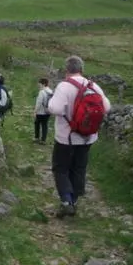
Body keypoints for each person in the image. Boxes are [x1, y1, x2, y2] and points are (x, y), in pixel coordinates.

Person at [47, 55, 111, 218]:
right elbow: (107, 107)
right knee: (79, 168)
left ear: (67, 70)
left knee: (61, 168)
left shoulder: (64, 86)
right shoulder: (94, 86)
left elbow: (55, 109)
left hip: (66, 137)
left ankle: (66, 201)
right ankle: (74, 201)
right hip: (88, 137)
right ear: (82, 70)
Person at [33, 78, 53, 144]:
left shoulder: (42, 92)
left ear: (43, 84)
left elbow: (39, 102)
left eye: (40, 83)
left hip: (40, 112)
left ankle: (36, 137)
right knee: (45, 125)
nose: (38, 85)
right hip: (48, 112)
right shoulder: (51, 91)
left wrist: (35, 111)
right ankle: (43, 140)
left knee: (37, 124)